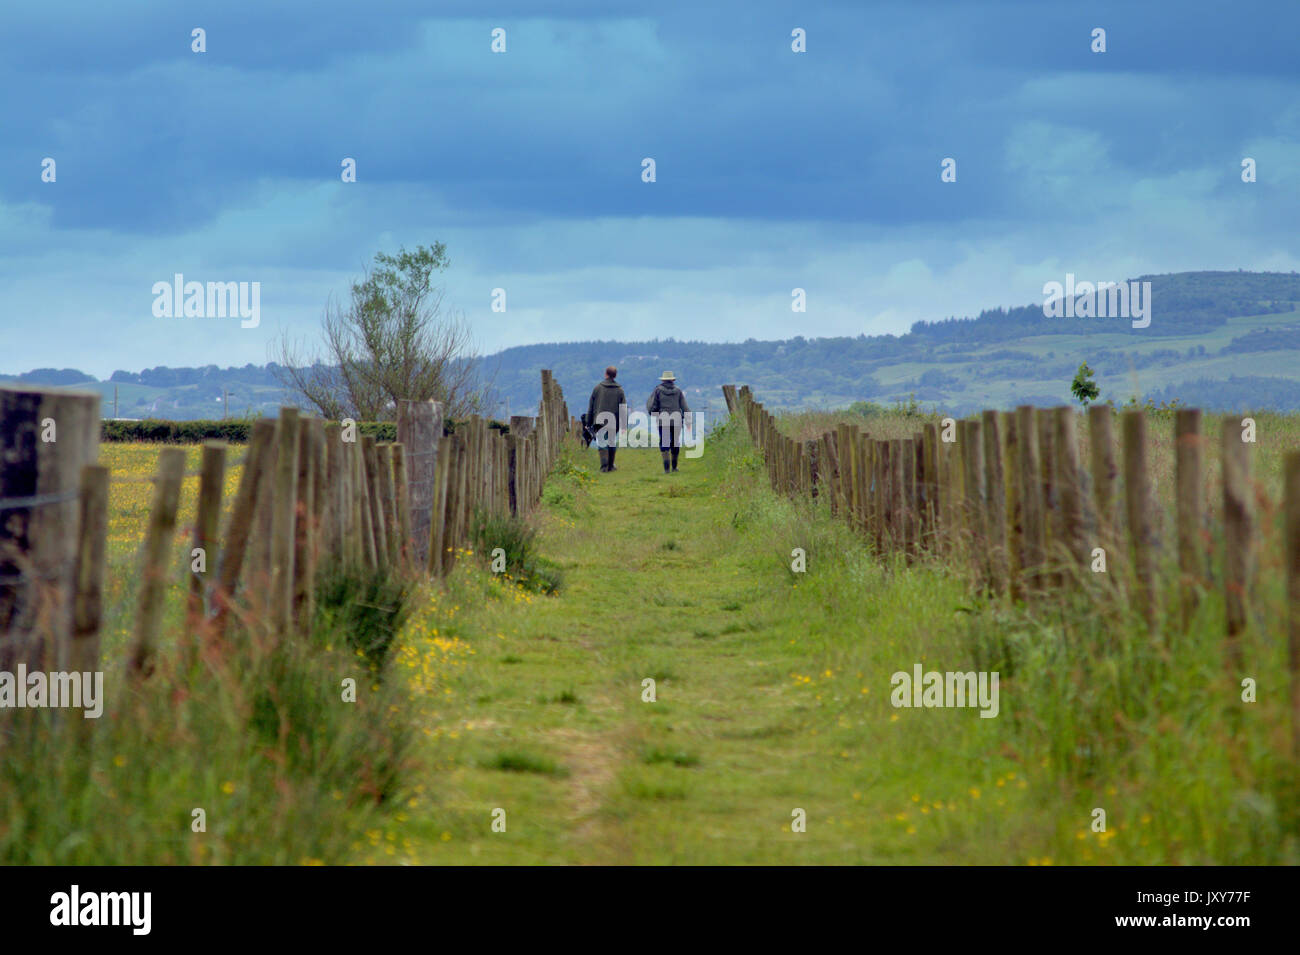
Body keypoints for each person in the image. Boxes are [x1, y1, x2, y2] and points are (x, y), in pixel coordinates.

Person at [646, 371, 690, 473]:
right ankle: (674, 467)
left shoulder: (658, 390)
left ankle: (666, 469)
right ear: (673, 380)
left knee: (664, 443)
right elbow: (685, 407)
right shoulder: (678, 391)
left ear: (663, 380)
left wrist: (654, 413)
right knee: (675, 442)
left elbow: (652, 406)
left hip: (663, 420)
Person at [587, 366, 626, 472]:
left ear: (606, 374)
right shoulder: (619, 390)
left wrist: (588, 422)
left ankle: (604, 466)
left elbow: (591, 407)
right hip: (614, 421)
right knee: (611, 441)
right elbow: (623, 408)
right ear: (615, 375)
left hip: (599, 420)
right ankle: (611, 466)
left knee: (602, 442)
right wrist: (623, 425)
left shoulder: (597, 388)